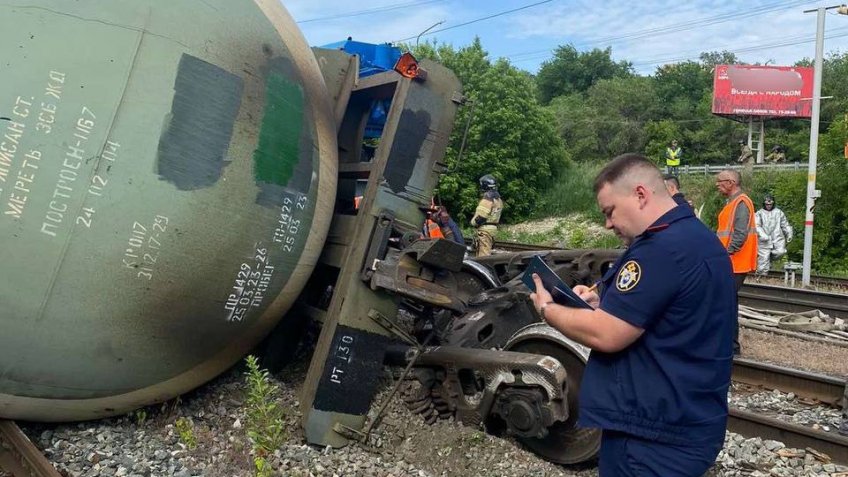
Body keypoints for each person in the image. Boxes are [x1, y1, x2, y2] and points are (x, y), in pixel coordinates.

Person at [529, 154, 735, 476]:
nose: (608, 224)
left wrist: (548, 309)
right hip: (686, 421)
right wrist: (602, 297)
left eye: (609, 212)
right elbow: (661, 308)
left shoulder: (660, 249)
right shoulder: (695, 237)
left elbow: (607, 334)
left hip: (651, 438)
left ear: (640, 195)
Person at [715, 169, 757, 355]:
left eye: (720, 181)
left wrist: (724, 254)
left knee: (726, 303)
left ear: (731, 182)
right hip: (731, 261)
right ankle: (729, 345)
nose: (717, 185)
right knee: (726, 303)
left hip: (735, 262)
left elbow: (739, 235)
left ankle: (731, 346)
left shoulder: (741, 203)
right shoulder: (734, 203)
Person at [754, 194, 793, 277]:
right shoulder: (759, 213)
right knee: (763, 258)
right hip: (764, 240)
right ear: (764, 204)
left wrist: (789, 233)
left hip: (777, 238)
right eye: (767, 204)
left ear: (773, 203)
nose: (769, 206)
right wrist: (762, 235)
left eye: (770, 204)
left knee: (781, 252)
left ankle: (768, 261)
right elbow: (756, 225)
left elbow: (785, 224)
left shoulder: (779, 212)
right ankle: (761, 275)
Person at [470, 174, 503, 257]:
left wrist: (473, 223)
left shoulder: (487, 199)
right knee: (487, 251)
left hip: (484, 230)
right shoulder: (498, 199)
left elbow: (481, 217)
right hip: (493, 229)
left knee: (483, 255)